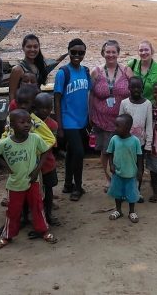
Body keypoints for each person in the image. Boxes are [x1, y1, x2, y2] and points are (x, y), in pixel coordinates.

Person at [0, 109, 57, 249]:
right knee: (13, 210)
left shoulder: (35, 138)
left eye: (29, 122)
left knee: (38, 207)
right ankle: (7, 235)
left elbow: (45, 150)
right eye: (22, 122)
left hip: (33, 182)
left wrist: (37, 170)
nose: (26, 125)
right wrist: (6, 167)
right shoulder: (6, 143)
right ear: (12, 125)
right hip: (15, 184)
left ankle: (43, 231)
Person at [89, 40, 133, 191]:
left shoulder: (127, 71)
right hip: (102, 119)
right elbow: (90, 95)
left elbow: (134, 92)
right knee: (105, 150)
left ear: (118, 53)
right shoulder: (96, 72)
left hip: (122, 119)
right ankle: (108, 178)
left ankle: (121, 176)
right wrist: (90, 115)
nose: (111, 55)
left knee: (121, 149)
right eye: (108, 52)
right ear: (103, 53)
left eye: (113, 52)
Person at [54, 38, 92, 201]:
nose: (77, 55)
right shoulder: (63, 73)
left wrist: (90, 118)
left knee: (71, 152)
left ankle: (68, 184)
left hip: (82, 121)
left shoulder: (85, 71)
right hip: (68, 120)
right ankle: (78, 187)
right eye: (74, 52)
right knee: (78, 153)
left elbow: (88, 94)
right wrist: (59, 126)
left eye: (81, 52)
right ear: (68, 52)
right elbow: (56, 99)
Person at [119, 76, 152, 198]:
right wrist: (119, 139)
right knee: (125, 166)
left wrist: (148, 144)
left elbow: (149, 125)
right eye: (133, 87)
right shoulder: (124, 103)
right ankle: (125, 191)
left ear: (143, 88)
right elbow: (119, 122)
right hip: (125, 143)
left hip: (140, 143)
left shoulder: (147, 104)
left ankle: (136, 191)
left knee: (139, 167)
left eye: (139, 87)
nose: (136, 90)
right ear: (129, 88)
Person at [8, 34, 67, 100]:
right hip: (22, 107)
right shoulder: (18, 69)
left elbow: (57, 61)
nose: (32, 49)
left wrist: (69, 52)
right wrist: (13, 109)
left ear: (39, 48)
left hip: (37, 106)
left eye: (35, 47)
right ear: (23, 48)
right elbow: (12, 93)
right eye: (29, 47)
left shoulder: (41, 66)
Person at [107, 114, 142, 223]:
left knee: (131, 193)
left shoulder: (135, 141)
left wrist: (140, 170)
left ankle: (131, 211)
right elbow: (110, 153)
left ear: (127, 127)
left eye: (118, 126)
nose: (115, 128)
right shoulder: (114, 139)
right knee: (117, 192)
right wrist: (111, 165)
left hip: (131, 173)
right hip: (117, 172)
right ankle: (118, 210)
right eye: (115, 125)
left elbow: (140, 156)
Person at [33, 92, 60, 226]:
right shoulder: (29, 122)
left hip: (47, 163)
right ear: (35, 108)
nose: (45, 111)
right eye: (41, 108)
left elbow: (50, 146)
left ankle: (48, 214)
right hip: (31, 164)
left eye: (48, 108)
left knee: (48, 190)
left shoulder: (53, 124)